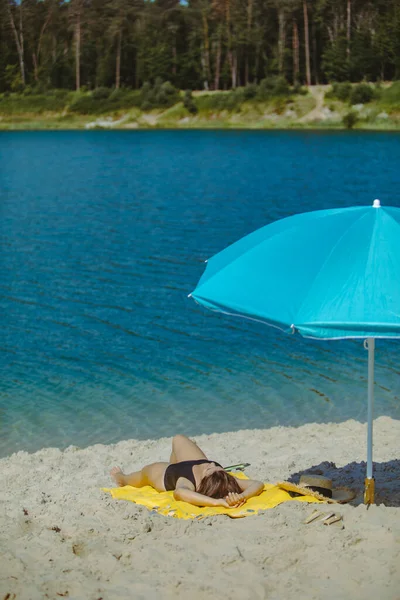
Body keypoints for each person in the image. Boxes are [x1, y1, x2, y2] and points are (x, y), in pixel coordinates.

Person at [110, 434, 264, 508]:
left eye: (209, 468)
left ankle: (120, 477)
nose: (210, 463)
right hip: (190, 462)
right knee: (178, 439)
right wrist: (242, 495)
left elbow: (180, 493)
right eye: (216, 465)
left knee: (135, 477)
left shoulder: (187, 481)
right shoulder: (223, 478)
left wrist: (218, 502)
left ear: (206, 480)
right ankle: (175, 458)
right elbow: (258, 484)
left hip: (165, 473)